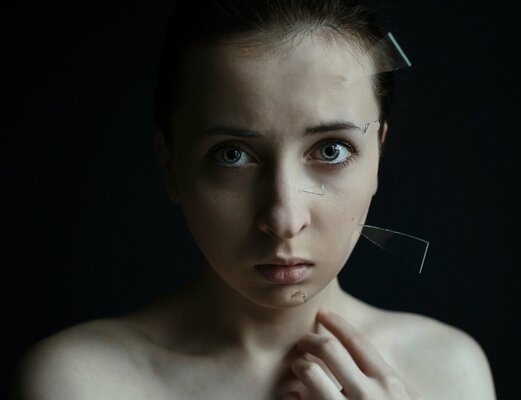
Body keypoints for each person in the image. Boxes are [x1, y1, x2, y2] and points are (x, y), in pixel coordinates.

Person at [11, 1, 496, 399]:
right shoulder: (81, 383)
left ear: (379, 154)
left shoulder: (448, 375)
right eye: (232, 154)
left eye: (332, 150)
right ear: (169, 163)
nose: (284, 220)